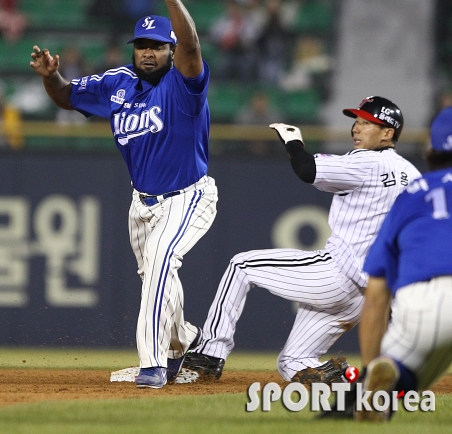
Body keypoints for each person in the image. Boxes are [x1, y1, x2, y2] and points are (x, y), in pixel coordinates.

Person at [30, 0, 218, 390]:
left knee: (159, 268)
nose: (148, 53)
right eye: (142, 46)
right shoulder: (117, 84)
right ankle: (182, 344)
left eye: (157, 46)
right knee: (155, 272)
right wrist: (49, 76)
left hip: (188, 194)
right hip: (143, 201)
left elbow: (192, 46)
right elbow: (66, 95)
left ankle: (150, 367)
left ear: (171, 51)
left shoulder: (184, 84)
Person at [183, 96, 420, 384]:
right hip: (364, 296)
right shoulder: (412, 174)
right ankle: (355, 380)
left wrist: (292, 142)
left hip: (336, 274)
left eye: (366, 123)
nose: (356, 128)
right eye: (356, 121)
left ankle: (209, 354)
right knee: (293, 362)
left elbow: (307, 169)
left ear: (388, 133)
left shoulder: (366, 162)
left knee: (241, 266)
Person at [354, 106, 452, 421]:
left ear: (431, 150)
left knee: (399, 375)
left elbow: (376, 294)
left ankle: (384, 380)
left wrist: (369, 369)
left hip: (426, 301)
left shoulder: (411, 195)